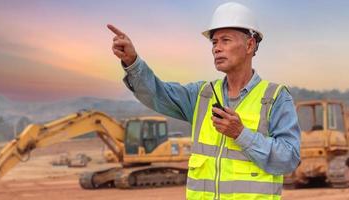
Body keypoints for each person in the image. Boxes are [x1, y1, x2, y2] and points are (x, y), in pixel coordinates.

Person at [107, 2, 300, 200]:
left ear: (250, 45)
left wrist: (241, 134)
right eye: (214, 42)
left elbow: (288, 160)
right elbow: (157, 93)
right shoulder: (201, 95)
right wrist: (132, 62)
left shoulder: (275, 97)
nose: (217, 48)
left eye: (225, 40)